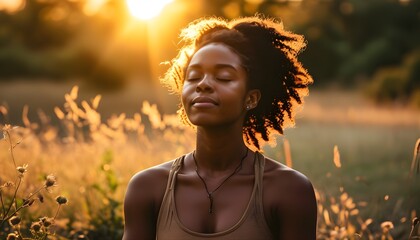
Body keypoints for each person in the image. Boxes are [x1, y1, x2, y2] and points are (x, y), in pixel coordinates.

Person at [123, 15, 317, 240]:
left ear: (251, 98)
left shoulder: (288, 190)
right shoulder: (148, 187)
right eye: (193, 77)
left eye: (223, 77)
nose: (203, 84)